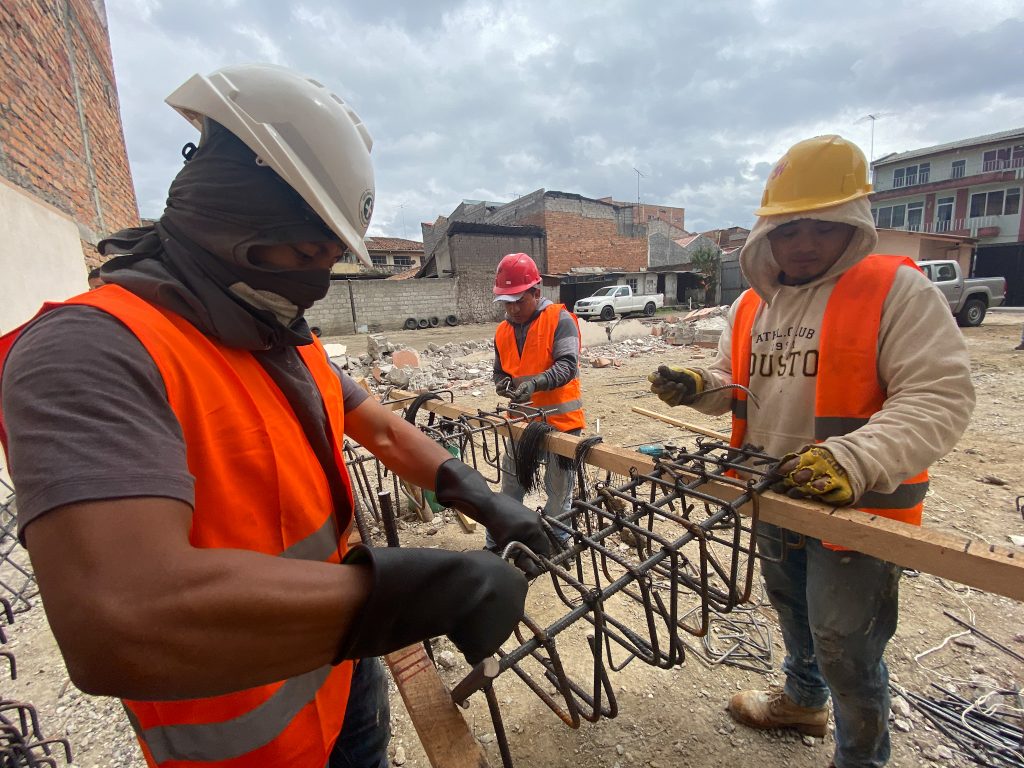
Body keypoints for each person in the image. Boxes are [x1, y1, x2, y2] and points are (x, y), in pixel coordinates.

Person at [0, 64, 551, 768]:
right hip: (245, 736)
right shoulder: (90, 352)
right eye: (307, 252)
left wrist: (473, 494)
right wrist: (424, 590)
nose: (316, 282)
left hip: (342, 668)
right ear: (236, 221)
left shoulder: (276, 335)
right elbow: (123, 620)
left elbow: (377, 425)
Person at [648, 135, 974, 768]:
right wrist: (700, 388)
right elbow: (740, 386)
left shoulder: (894, 290)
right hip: (771, 489)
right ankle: (801, 700)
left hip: (859, 505)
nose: (803, 244)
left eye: (823, 228)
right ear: (767, 232)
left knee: (846, 644)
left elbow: (940, 396)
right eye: (788, 229)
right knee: (793, 609)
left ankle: (861, 758)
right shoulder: (752, 303)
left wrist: (851, 459)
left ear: (853, 224)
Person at [490, 253, 585, 549]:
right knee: (511, 487)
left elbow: (567, 365)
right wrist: (503, 385)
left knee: (558, 492)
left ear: (537, 291)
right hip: (520, 424)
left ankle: (557, 543)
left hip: (560, 424)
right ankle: (502, 541)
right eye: (507, 301)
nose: (514, 308)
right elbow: (499, 372)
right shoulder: (502, 331)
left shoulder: (560, 319)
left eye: (520, 299)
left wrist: (535, 383)